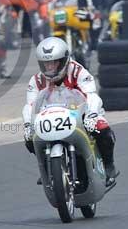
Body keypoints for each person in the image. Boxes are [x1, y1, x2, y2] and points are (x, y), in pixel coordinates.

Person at [22, 37, 119, 185]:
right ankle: (48, 168)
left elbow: (92, 95)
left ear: (65, 60)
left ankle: (109, 165)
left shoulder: (78, 72)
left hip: (80, 114)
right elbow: (30, 105)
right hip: (51, 118)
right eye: (46, 64)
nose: (50, 68)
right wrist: (28, 124)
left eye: (54, 63)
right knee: (29, 138)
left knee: (102, 128)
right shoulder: (36, 81)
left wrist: (92, 115)